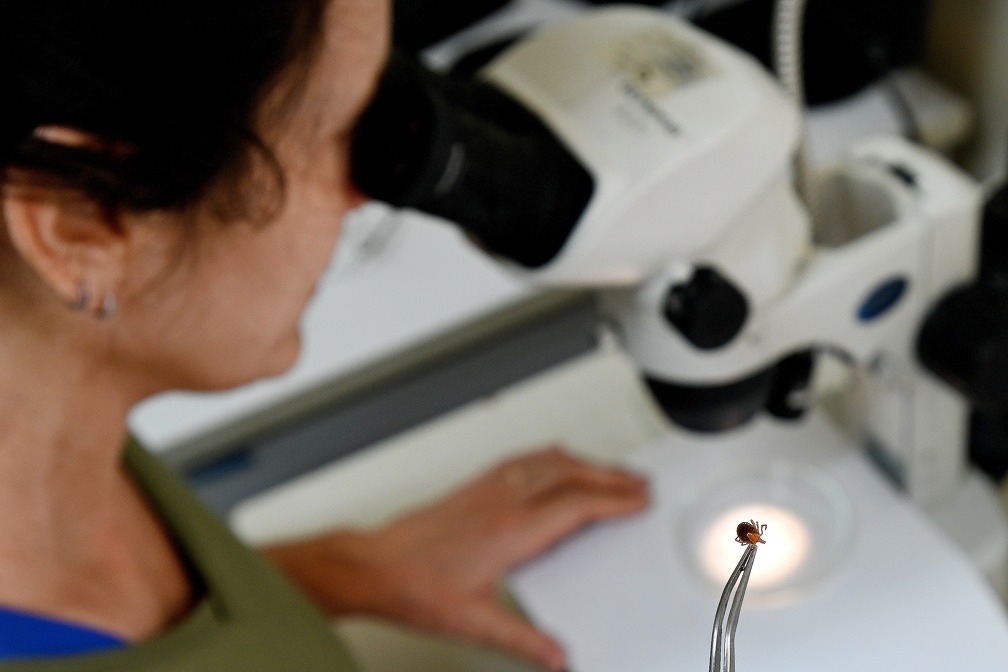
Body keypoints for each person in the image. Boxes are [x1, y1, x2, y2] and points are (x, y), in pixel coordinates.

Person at [0, 1, 649, 670]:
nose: (364, 194)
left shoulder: (53, 411)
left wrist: (326, 574)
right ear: (85, 222)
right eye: (332, 133)